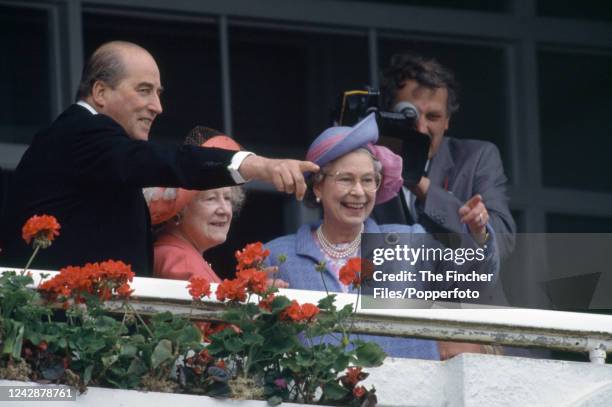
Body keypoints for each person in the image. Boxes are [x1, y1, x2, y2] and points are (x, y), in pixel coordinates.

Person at [0, 40, 318, 275]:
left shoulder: (371, 239)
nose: (158, 106)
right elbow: (160, 160)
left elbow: (373, 320)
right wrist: (259, 165)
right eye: (144, 90)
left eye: (369, 179)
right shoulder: (80, 133)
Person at [264, 113, 499, 359]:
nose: (359, 192)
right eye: (346, 179)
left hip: (408, 393)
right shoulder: (279, 257)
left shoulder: (408, 242)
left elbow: (477, 282)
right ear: (318, 186)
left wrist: (479, 235)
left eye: (368, 180)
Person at [375, 52, 516, 259]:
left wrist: (422, 186)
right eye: (408, 115)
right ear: (388, 114)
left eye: (433, 117)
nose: (421, 129)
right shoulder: (366, 163)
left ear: (447, 120)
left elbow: (502, 240)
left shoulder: (477, 158)